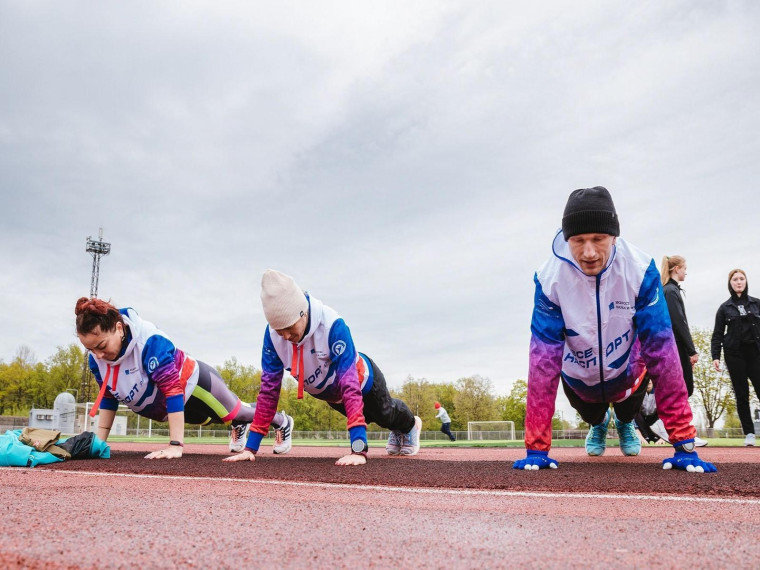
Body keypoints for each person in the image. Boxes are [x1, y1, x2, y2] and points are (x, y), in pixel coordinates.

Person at [513, 186, 716, 473]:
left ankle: (625, 423)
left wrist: (684, 443)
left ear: (614, 236)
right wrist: (536, 448)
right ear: (566, 238)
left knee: (627, 405)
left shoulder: (640, 270)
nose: (589, 252)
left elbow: (663, 353)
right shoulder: (549, 280)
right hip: (579, 377)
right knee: (592, 412)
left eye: (598, 239)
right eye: (578, 240)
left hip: (628, 373)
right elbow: (543, 363)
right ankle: (598, 424)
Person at [223, 270, 422, 467]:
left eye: (289, 327)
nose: (285, 336)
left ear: (303, 313)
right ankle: (396, 430)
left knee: (384, 414)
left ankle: (411, 424)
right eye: (278, 329)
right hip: (332, 396)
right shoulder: (273, 338)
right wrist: (250, 449)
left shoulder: (333, 325)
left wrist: (358, 450)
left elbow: (350, 385)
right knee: (371, 418)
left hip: (364, 382)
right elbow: (268, 393)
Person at [75, 297, 293, 459]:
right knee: (215, 420)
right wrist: (100, 442)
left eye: (102, 346)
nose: (99, 355)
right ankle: (239, 424)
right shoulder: (97, 361)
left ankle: (282, 421)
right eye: (91, 350)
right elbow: (109, 398)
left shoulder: (149, 342)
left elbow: (172, 390)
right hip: (171, 409)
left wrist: (175, 445)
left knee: (235, 413)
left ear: (119, 328)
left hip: (196, 384)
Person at [711, 269, 760, 447]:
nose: (739, 282)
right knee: (742, 394)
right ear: (730, 283)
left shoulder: (756, 303)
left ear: (746, 281)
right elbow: (717, 334)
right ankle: (749, 433)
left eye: (741, 279)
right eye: (735, 279)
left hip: (755, 353)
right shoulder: (725, 308)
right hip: (734, 354)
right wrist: (715, 356)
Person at [660, 255, 699, 396]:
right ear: (676, 269)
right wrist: (691, 351)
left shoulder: (670, 290)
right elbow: (678, 322)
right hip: (675, 345)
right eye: (684, 268)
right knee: (685, 388)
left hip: (674, 345)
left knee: (683, 388)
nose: (686, 272)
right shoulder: (670, 291)